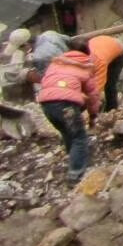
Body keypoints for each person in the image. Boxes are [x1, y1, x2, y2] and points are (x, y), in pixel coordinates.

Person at [37, 40, 100, 183]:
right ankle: (76, 174)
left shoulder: (56, 63)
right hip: (66, 105)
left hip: (46, 104)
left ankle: (73, 159)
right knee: (80, 137)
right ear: (86, 53)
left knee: (67, 132)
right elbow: (93, 96)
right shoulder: (86, 67)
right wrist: (93, 115)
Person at [86, 34, 123, 112]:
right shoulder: (77, 62)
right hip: (102, 44)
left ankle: (112, 110)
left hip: (118, 51)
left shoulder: (100, 63)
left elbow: (97, 89)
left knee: (109, 84)